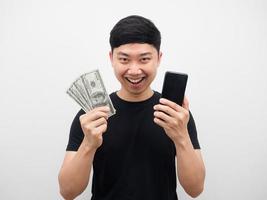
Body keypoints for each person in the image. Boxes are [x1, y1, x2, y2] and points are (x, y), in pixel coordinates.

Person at [58, 15, 205, 200]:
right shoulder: (91, 116)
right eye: (124, 59)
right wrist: (89, 144)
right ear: (112, 58)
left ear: (158, 59)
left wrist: (181, 136)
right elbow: (68, 192)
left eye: (144, 59)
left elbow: (196, 189)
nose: (134, 70)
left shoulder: (176, 115)